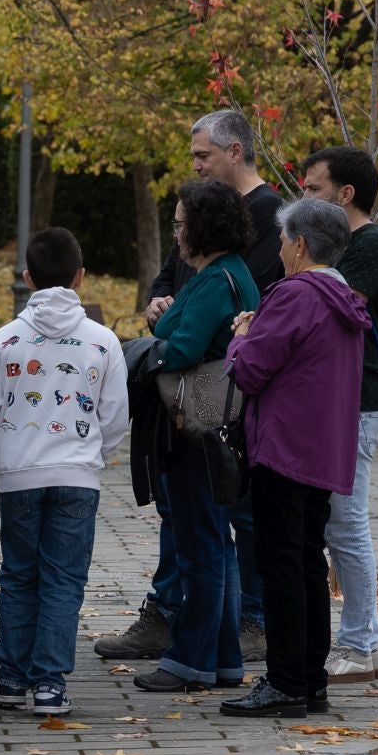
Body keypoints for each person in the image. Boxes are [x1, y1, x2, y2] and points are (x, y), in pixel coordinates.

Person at [97, 109, 281, 666]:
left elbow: (190, 339)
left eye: (203, 155)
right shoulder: (203, 262)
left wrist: (162, 332)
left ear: (234, 150)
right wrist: (163, 308)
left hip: (207, 411)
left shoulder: (253, 235)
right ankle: (205, 642)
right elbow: (171, 290)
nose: (196, 163)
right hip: (199, 409)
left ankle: (208, 646)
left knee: (213, 532)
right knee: (198, 531)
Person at [224, 199, 372, 717]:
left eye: (285, 240)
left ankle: (286, 681)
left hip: (284, 446)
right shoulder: (342, 296)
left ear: (301, 244)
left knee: (281, 564)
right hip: (323, 448)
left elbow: (249, 372)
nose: (282, 249)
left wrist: (241, 337)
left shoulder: (295, 295)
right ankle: (310, 680)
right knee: (307, 560)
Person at [0, 228, 128, 715]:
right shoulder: (102, 342)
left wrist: (0, 454)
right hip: (76, 476)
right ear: (80, 277)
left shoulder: (6, 340)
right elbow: (116, 415)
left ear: (27, 277)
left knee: (20, 574)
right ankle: (50, 685)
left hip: (19, 473)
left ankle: (11, 679)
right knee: (64, 579)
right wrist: (95, 452)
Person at [132, 179, 261, 694]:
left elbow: (182, 351)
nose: (177, 231)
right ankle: (224, 659)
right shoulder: (228, 275)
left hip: (196, 431)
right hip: (216, 428)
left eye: (182, 222)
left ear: (203, 227)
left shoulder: (215, 280)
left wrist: (150, 340)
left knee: (200, 545)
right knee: (217, 544)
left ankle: (189, 661)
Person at [301, 146, 378, 684]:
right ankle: (355, 639)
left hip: (356, 403)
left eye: (315, 189)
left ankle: (363, 644)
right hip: (331, 402)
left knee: (347, 522)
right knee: (335, 523)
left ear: (345, 194)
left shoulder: (371, 247)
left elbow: (329, 312)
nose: (306, 197)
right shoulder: (341, 247)